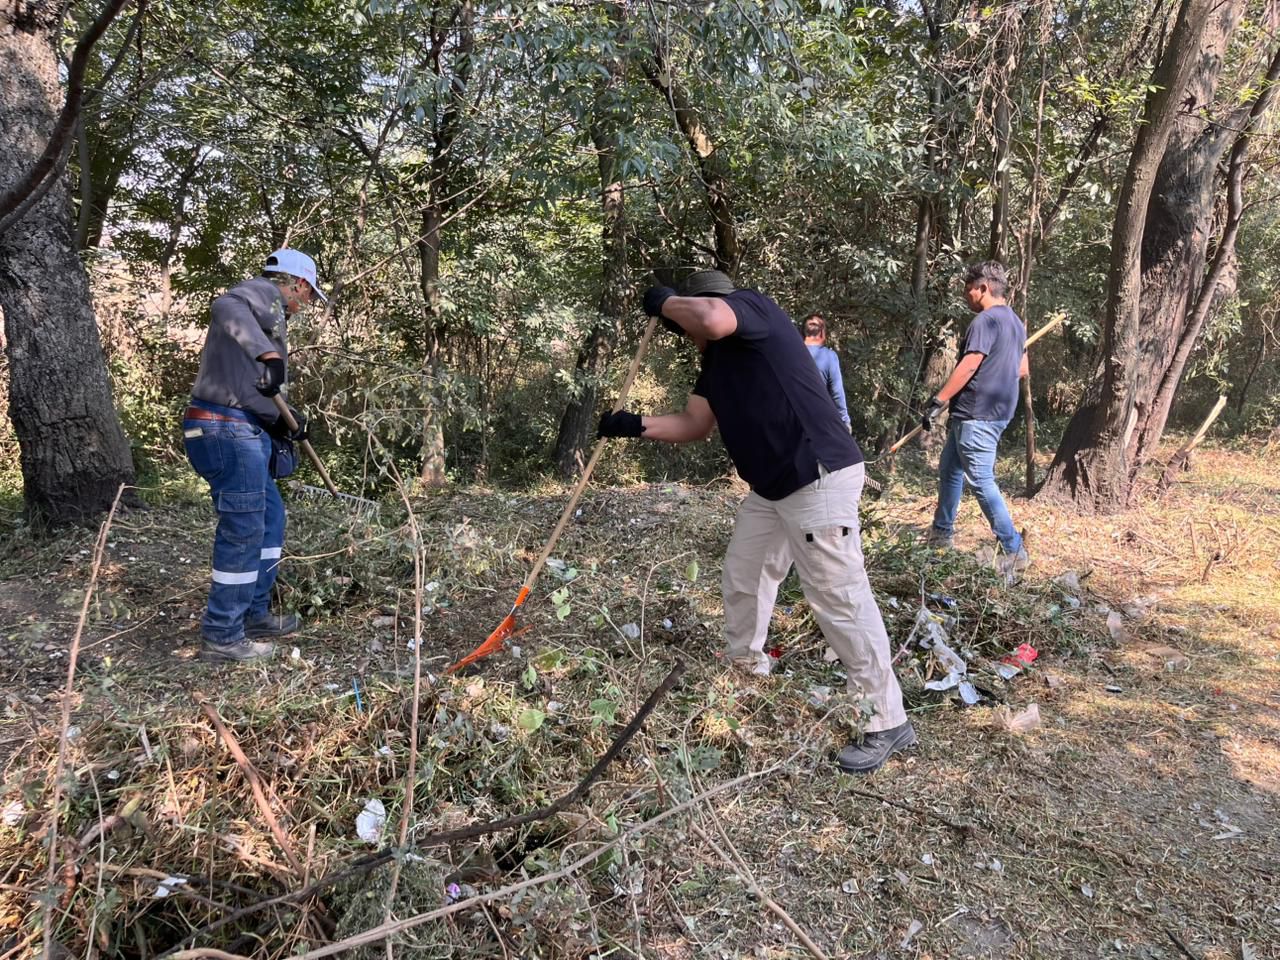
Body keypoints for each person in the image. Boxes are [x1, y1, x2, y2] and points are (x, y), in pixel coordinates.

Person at [597, 270, 915, 774]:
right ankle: (745, 667)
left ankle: (886, 721)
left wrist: (665, 303)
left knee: (839, 597)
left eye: (688, 320)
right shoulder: (716, 366)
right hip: (772, 488)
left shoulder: (752, 309)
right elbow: (697, 425)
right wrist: (634, 425)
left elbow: (710, 316)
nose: (691, 333)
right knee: (745, 574)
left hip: (817, 476)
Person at [182, 249, 326, 662]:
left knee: (270, 518)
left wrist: (288, 420)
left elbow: (257, 393)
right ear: (296, 284)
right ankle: (223, 635)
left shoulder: (270, 315)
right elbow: (224, 305)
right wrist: (269, 355)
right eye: (309, 296)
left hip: (241, 426)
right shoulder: (261, 295)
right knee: (244, 528)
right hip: (224, 427)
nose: (307, 305)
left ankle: (253, 613)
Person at [921, 260, 1029, 579]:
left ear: (982, 289)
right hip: (992, 413)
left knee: (981, 480)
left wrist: (940, 399)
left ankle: (1014, 549)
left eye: (968, 290)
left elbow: (969, 365)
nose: (966, 296)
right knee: (950, 470)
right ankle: (941, 536)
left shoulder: (985, 320)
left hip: (977, 415)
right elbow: (1023, 369)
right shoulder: (1015, 322)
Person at [802, 314, 851, 429]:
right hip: (817, 422)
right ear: (822, 333)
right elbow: (837, 392)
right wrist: (845, 421)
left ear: (803, 332)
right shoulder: (829, 357)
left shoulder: (789, 352)